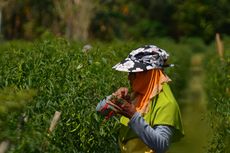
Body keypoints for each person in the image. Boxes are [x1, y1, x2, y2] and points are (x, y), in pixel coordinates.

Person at [97, 45, 184, 153]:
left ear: (149, 73)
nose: (129, 77)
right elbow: (99, 112)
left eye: (133, 73)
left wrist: (133, 116)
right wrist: (114, 97)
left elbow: (162, 145)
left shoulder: (166, 103)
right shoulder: (137, 96)